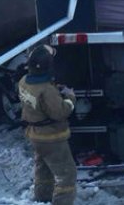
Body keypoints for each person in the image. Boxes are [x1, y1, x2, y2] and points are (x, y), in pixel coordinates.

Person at [18, 44, 77, 205]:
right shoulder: (47, 90)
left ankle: (42, 197)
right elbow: (60, 112)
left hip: (36, 136)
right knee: (66, 175)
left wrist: (54, 90)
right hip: (52, 138)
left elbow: (38, 98)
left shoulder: (24, 82)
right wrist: (70, 97)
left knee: (43, 169)